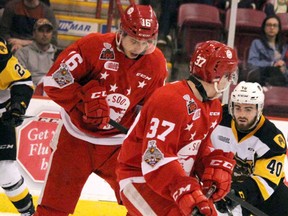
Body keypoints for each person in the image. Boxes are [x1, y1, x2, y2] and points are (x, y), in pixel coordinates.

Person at [34, 3, 168, 216]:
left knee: (144, 205)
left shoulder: (157, 64)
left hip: (119, 145)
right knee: (53, 207)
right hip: (75, 138)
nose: (139, 48)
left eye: (147, 42)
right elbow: (53, 82)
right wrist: (83, 99)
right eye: (134, 40)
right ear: (121, 32)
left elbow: (151, 109)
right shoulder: (92, 46)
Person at [116, 40, 239, 216]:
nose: (230, 80)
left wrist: (211, 167)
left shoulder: (213, 107)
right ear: (215, 76)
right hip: (140, 177)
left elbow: (198, 147)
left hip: (173, 182)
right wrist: (184, 189)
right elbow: (154, 157)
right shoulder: (170, 100)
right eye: (228, 75)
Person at [211, 81, 288, 216]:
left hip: (267, 193)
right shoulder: (217, 118)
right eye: (238, 108)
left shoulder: (272, 139)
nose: (242, 115)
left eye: (248, 109)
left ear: (259, 109)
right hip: (226, 186)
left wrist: (238, 193)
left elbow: (265, 182)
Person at [0, 38, 35, 215]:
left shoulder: (3, 58)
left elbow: (23, 82)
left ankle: (28, 212)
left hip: (0, 119)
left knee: (5, 170)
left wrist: (17, 107)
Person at [15, 18, 57, 91]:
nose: (45, 35)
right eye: (41, 31)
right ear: (34, 33)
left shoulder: (58, 55)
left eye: (48, 31)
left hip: (52, 92)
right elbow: (20, 79)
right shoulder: (22, 53)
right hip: (30, 92)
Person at [247, 15, 288, 86]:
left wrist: (283, 68)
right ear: (264, 28)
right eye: (269, 25)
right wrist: (272, 64)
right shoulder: (257, 43)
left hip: (280, 76)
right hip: (262, 74)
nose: (272, 28)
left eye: (275, 25)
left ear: (279, 29)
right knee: (273, 70)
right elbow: (252, 62)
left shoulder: (284, 46)